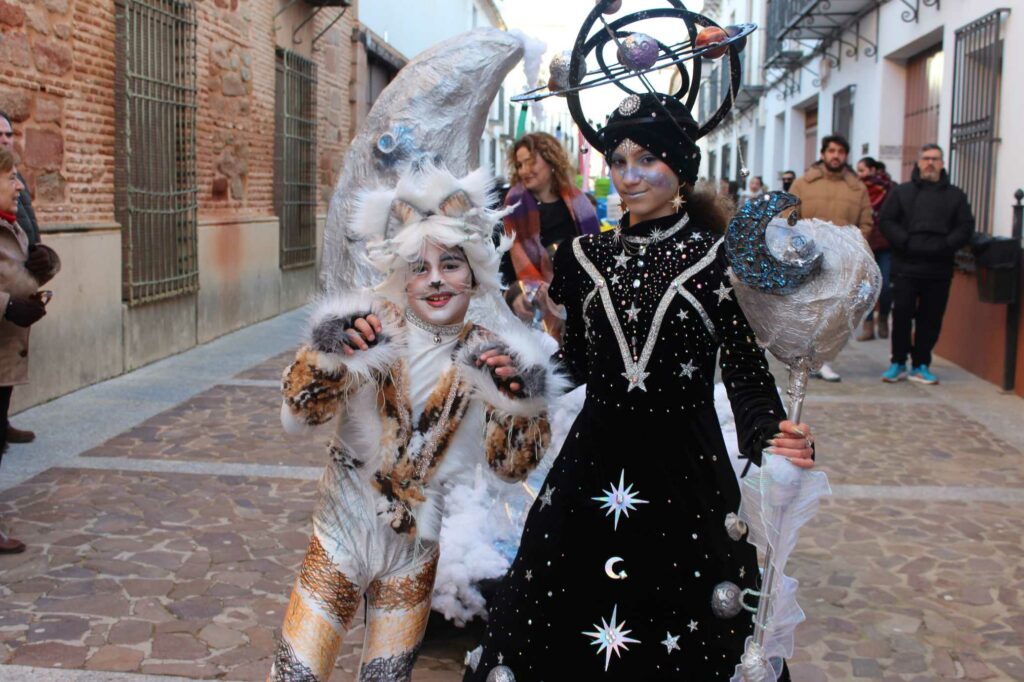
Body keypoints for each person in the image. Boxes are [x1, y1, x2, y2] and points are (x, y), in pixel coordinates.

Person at [463, 92, 815, 681]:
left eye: (646, 159)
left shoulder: (719, 259)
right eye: (618, 160)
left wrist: (773, 435)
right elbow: (576, 362)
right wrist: (526, 379)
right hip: (593, 467)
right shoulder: (580, 254)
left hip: (687, 474)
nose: (628, 176)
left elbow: (748, 374)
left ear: (680, 167)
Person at [268, 163, 564, 681]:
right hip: (342, 531)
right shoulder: (369, 328)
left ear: (474, 277)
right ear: (400, 277)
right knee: (298, 672)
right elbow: (300, 413)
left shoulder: (490, 357)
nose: (434, 280)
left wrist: (522, 404)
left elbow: (511, 467)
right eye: (419, 268)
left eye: (450, 265)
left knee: (388, 677)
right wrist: (329, 356)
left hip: (414, 551)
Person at [0, 146, 60, 554]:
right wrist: (7, 306)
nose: (19, 185)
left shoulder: (12, 224)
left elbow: (22, 269)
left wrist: (47, 265)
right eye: (10, 179)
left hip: (6, 350)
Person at [879, 144, 973, 385]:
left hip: (939, 268)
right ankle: (898, 361)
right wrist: (905, 241)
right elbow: (887, 220)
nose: (930, 163)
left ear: (942, 164)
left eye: (935, 159)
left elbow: (965, 227)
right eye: (926, 158)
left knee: (931, 318)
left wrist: (945, 245)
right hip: (905, 266)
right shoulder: (902, 192)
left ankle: (921, 363)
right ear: (918, 162)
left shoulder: (956, 195)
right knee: (901, 315)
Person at [789, 134, 872, 382]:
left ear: (846, 156)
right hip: (809, 260)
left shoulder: (857, 188)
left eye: (840, 152)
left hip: (844, 264)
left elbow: (866, 223)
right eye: (831, 151)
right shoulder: (803, 184)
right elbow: (789, 219)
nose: (836, 155)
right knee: (807, 312)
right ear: (823, 154)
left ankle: (822, 361)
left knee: (834, 316)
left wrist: (853, 248)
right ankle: (798, 358)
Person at [502, 132, 599, 339]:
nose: (524, 171)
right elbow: (506, 268)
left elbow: (595, 251)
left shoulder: (578, 201)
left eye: (530, 162)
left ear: (550, 159)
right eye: (520, 165)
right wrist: (517, 294)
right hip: (533, 311)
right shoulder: (513, 206)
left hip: (579, 300)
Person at [0, 111, 42, 444]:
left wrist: (43, 262)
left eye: (9, 134)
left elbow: (27, 224)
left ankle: (2, 424)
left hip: (16, 275)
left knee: (8, 362)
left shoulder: (16, 180)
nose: (5, 138)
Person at [855, 156, 894, 341]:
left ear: (872, 170)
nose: (859, 175)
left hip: (886, 244)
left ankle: (884, 317)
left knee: (885, 286)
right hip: (865, 244)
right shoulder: (857, 190)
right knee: (867, 287)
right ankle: (868, 325)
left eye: (862, 170)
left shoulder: (890, 188)